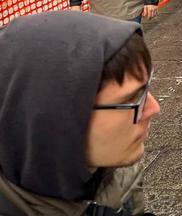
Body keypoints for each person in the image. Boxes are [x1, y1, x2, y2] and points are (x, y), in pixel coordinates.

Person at [0, 11, 160, 214]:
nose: (154, 108)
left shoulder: (114, 167)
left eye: (145, 89)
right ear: (55, 119)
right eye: (130, 99)